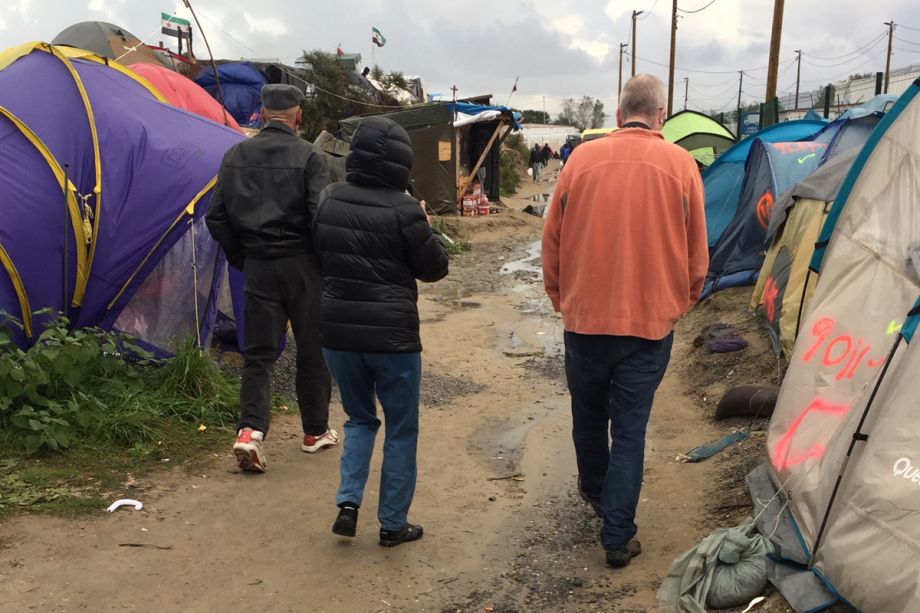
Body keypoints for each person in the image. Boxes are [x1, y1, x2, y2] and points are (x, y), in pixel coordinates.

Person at [541, 74, 708, 568]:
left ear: (619, 115)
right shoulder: (681, 165)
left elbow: (552, 238)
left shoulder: (580, 161)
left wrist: (560, 296)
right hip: (649, 327)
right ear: (661, 116)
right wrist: (683, 301)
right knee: (630, 431)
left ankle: (597, 493)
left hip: (585, 321)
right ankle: (617, 535)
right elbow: (697, 250)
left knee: (589, 418)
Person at [313, 116, 449, 547]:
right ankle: (392, 524)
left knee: (358, 418)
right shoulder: (405, 209)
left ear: (355, 153)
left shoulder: (329, 199)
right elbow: (434, 268)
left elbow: (319, 256)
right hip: (393, 339)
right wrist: (426, 225)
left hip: (338, 333)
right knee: (401, 428)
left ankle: (349, 504)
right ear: (401, 161)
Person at [206, 84, 338, 473]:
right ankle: (315, 432)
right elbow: (320, 217)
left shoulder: (235, 155)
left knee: (258, 355)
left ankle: (250, 433)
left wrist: (244, 257)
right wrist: (322, 262)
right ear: (299, 116)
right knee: (313, 349)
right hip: (303, 266)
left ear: (263, 114)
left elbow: (216, 217)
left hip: (259, 265)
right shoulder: (310, 156)